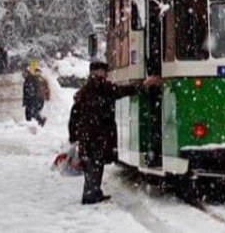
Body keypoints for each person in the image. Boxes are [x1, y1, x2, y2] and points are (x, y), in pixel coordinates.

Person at [69, 61, 161, 205]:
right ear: (98, 72)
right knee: (95, 165)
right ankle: (91, 196)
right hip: (98, 135)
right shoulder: (101, 87)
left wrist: (74, 136)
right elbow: (122, 91)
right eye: (104, 72)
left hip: (88, 135)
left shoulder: (85, 90)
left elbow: (74, 115)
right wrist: (144, 84)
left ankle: (93, 192)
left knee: (91, 166)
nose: (106, 75)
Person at [22, 61, 48, 126]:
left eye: (24, 73)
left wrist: (29, 99)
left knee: (31, 113)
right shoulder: (33, 78)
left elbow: (30, 91)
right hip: (35, 99)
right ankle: (35, 123)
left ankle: (39, 121)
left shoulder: (30, 79)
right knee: (32, 113)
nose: (23, 74)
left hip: (33, 99)